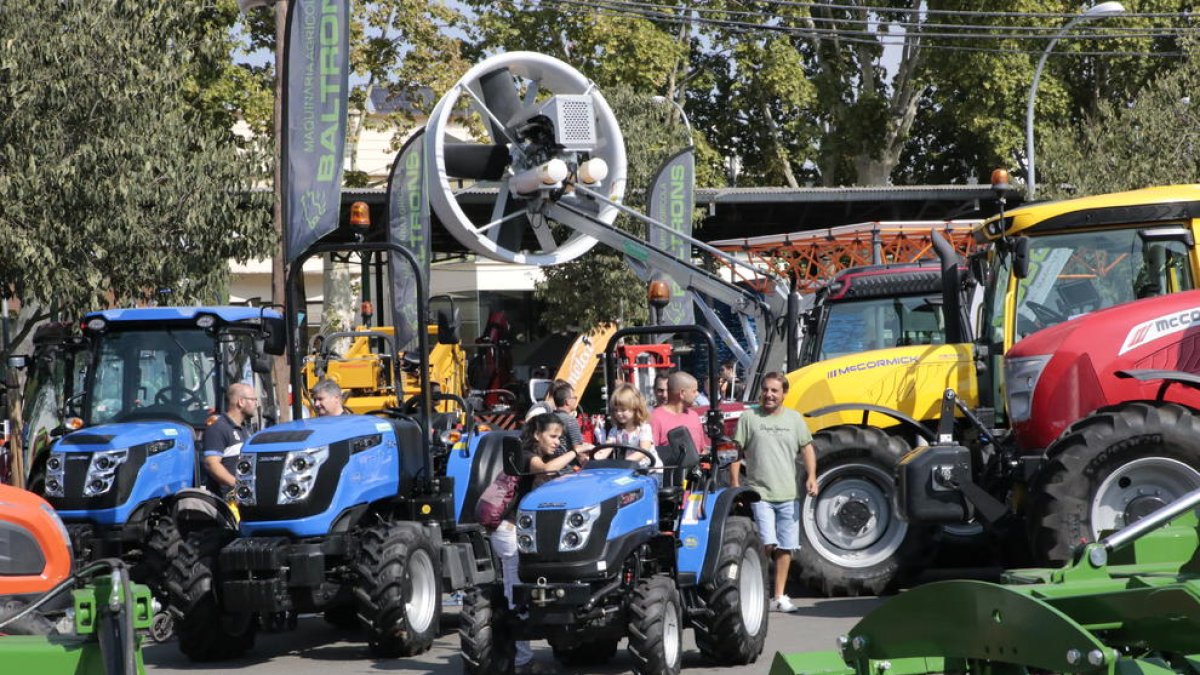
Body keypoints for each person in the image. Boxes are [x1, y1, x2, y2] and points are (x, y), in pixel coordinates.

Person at [494, 413, 584, 674]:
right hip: (508, 532)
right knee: (516, 597)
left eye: (560, 437)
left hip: (521, 533)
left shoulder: (543, 456)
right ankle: (522, 662)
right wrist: (576, 451)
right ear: (537, 434)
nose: (557, 442)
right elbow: (545, 471)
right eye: (553, 436)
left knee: (525, 590)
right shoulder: (525, 454)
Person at [731, 371, 818, 614]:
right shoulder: (749, 418)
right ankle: (758, 591)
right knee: (766, 543)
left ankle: (779, 596)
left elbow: (807, 449)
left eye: (774, 391)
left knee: (785, 547)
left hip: (788, 494)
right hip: (760, 493)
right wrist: (735, 484)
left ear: (784, 394)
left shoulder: (795, 419)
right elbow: (736, 453)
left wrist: (812, 477)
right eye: (766, 390)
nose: (768, 395)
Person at [201, 382, 258, 497]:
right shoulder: (218, 428)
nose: (256, 404)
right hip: (228, 500)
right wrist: (238, 485)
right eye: (253, 399)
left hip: (245, 497)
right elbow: (211, 463)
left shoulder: (245, 429)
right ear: (241, 402)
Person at [594, 383, 658, 469]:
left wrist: (623, 463)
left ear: (635, 408)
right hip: (630, 469)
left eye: (623, 410)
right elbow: (606, 449)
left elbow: (643, 452)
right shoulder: (615, 431)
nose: (619, 413)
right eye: (616, 410)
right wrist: (594, 458)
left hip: (650, 471)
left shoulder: (644, 429)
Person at [649, 371, 710, 452]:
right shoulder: (655, 418)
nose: (697, 395)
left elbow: (703, 449)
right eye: (694, 391)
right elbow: (651, 453)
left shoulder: (694, 416)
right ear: (682, 393)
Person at [550, 381, 592, 455]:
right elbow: (579, 450)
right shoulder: (570, 420)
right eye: (574, 398)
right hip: (568, 464)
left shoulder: (549, 417)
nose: (576, 400)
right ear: (567, 402)